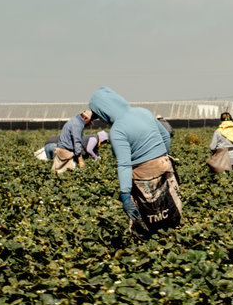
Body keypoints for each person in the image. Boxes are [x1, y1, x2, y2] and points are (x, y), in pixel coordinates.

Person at [88, 87, 180, 233]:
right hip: (165, 165)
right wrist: (162, 156)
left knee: (149, 218)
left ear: (103, 112)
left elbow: (124, 164)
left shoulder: (117, 130)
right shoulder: (143, 112)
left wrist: (125, 196)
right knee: (170, 207)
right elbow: (165, 136)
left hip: (143, 173)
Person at [53, 109, 95, 173]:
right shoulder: (77, 124)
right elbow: (77, 141)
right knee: (68, 174)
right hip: (65, 152)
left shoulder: (74, 120)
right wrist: (80, 159)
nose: (88, 124)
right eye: (88, 121)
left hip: (60, 150)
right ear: (85, 118)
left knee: (55, 172)